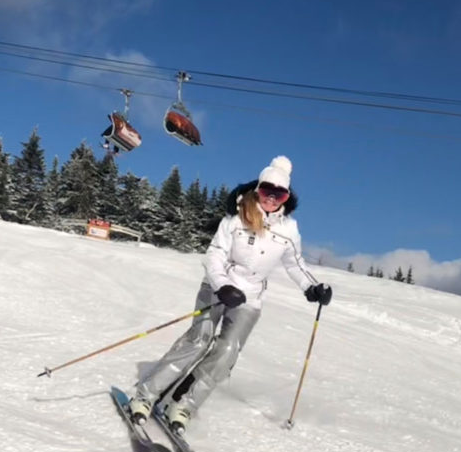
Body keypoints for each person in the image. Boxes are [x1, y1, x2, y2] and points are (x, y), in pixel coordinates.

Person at [129, 156, 333, 434]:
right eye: (267, 191)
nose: (272, 198)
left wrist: (312, 287)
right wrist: (223, 285)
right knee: (198, 341)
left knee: (226, 353)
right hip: (217, 288)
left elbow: (295, 263)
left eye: (280, 194)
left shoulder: (288, 229)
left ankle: (183, 405)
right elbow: (215, 253)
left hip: (250, 298)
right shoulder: (236, 217)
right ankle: (145, 396)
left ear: (286, 197)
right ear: (258, 189)